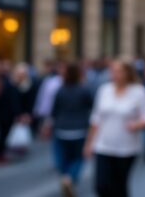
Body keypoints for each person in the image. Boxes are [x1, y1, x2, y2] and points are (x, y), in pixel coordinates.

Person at [84, 59, 145, 197]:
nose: (115, 75)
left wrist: (136, 124)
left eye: (119, 71)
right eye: (113, 71)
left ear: (128, 73)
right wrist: (89, 143)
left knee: (119, 187)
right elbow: (96, 118)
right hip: (103, 145)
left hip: (126, 148)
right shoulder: (104, 90)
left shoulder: (139, 92)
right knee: (101, 186)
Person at [48, 62, 93, 197]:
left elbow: (54, 111)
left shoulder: (61, 90)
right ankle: (70, 178)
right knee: (78, 158)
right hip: (79, 129)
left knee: (62, 157)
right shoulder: (84, 90)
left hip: (61, 128)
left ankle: (65, 176)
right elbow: (91, 107)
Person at [13, 63, 39, 139]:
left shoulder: (31, 85)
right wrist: (18, 114)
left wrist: (28, 114)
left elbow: (32, 101)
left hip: (27, 113)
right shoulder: (12, 85)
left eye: (24, 73)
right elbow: (14, 102)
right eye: (20, 74)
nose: (22, 75)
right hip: (15, 115)